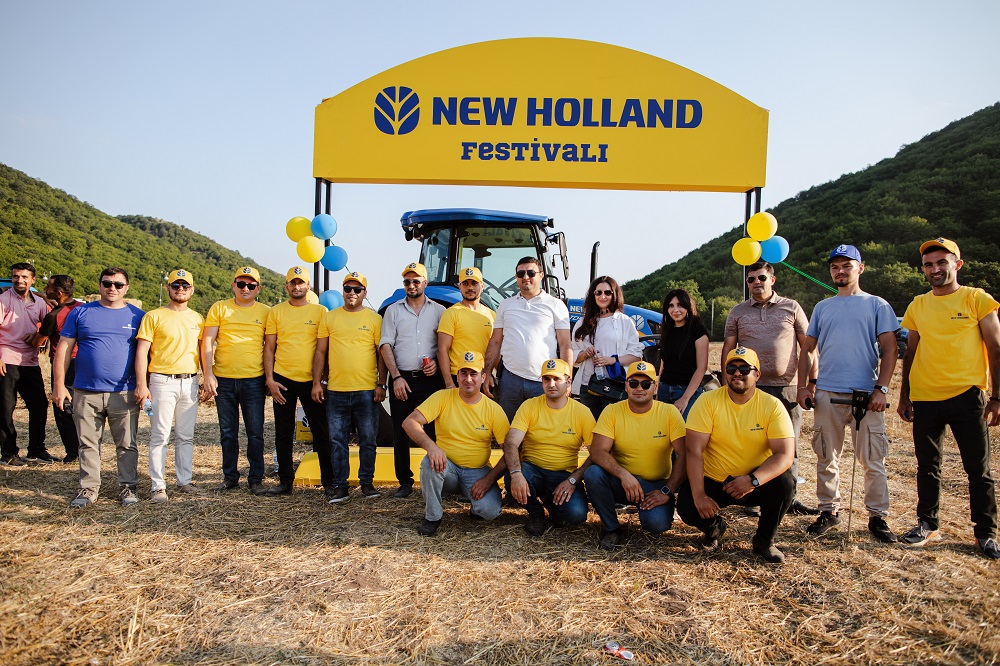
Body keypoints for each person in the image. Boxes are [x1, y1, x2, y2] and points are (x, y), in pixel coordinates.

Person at [897, 238, 1000, 559]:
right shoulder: (918, 305)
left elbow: (995, 348)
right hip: (925, 398)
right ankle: (928, 525)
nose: (935, 269)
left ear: (957, 264)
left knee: (978, 469)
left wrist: (997, 397)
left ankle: (986, 533)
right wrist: (905, 396)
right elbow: (910, 353)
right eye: (929, 264)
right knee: (928, 466)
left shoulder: (977, 299)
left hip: (967, 396)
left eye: (942, 262)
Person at [796, 244, 898, 543]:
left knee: (872, 459)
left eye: (846, 266)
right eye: (835, 267)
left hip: (866, 395)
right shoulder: (823, 307)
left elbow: (890, 349)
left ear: (860, 268)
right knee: (826, 456)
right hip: (828, 393)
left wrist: (881, 389)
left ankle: (877, 517)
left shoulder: (877, 305)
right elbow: (807, 349)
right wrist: (804, 386)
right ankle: (829, 511)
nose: (840, 271)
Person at [677, 346, 796, 563]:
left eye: (744, 369)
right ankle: (714, 529)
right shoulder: (707, 401)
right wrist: (699, 495)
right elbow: (693, 450)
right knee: (686, 505)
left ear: (757, 374)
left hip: (755, 479)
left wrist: (753, 480)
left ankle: (764, 542)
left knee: (785, 484)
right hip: (715, 479)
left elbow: (785, 455)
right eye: (731, 368)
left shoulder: (772, 406)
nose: (737, 373)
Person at [721, 261, 818, 516]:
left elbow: (808, 347)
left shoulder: (791, 307)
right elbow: (728, 348)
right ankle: (754, 497)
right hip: (751, 389)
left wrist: (810, 383)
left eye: (761, 277)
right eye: (751, 279)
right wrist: (726, 384)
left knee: (789, 444)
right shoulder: (738, 312)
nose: (756, 282)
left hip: (788, 388)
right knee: (753, 445)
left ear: (772, 280)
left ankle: (789, 498)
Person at [53, 268, 145, 507]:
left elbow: (147, 354)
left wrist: (144, 386)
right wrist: (59, 385)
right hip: (86, 391)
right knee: (87, 443)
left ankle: (128, 487)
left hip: (124, 392)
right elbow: (63, 349)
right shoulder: (80, 312)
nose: (112, 288)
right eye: (107, 283)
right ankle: (88, 489)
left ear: (126, 288)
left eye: (118, 284)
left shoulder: (138, 316)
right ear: (100, 285)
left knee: (127, 444)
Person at [403, 351, 511, 536]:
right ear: (457, 375)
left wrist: (488, 480)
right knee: (429, 463)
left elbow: (510, 451)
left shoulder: (494, 410)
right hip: (447, 468)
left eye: (473, 374)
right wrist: (432, 447)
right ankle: (433, 517)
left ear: (483, 377)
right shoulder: (442, 397)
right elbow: (409, 422)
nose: (468, 379)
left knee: (490, 512)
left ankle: (475, 505)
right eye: (463, 373)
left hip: (478, 472)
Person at [584, 360, 687, 550]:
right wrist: (624, 475)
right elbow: (598, 451)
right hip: (622, 482)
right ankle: (612, 528)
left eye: (646, 384)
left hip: (655, 485)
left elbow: (684, 455)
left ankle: (661, 507)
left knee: (656, 525)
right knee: (593, 474)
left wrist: (667, 491)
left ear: (655, 388)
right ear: (626, 386)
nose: (639, 388)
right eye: (633, 383)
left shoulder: (669, 412)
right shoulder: (612, 411)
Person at [312, 271, 387, 503]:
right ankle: (340, 486)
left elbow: (381, 354)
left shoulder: (374, 319)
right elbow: (321, 352)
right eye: (348, 289)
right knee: (337, 441)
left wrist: (381, 384)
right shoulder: (330, 318)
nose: (352, 293)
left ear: (365, 293)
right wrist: (317, 382)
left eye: (357, 289)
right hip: (336, 391)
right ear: (342, 291)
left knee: (368, 440)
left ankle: (367, 483)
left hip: (366, 391)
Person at [135, 269, 205, 502]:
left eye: (185, 286)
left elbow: (203, 351)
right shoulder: (153, 316)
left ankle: (184, 481)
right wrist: (142, 384)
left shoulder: (198, 318)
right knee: (160, 436)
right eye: (176, 285)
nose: (180, 289)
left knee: (186, 436)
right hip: (162, 381)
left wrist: (206, 378)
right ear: (168, 288)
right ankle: (158, 486)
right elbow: (142, 352)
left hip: (190, 381)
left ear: (192, 290)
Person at [503, 359, 596, 536]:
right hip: (533, 470)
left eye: (556, 379)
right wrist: (516, 474)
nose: (551, 384)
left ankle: (552, 505)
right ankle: (536, 513)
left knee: (576, 515)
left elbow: (596, 453)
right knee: (512, 476)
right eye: (546, 379)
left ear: (568, 381)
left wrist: (573, 480)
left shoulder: (582, 412)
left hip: (564, 474)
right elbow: (511, 442)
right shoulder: (529, 406)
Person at [264, 266, 332, 498]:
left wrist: (321, 381)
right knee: (283, 432)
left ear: (308, 286)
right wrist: (270, 380)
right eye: (292, 282)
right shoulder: (276, 312)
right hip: (282, 380)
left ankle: (329, 482)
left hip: (312, 381)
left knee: (321, 432)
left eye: (300, 282)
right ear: (287, 286)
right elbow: (269, 348)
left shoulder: (320, 311)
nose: (296, 286)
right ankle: (285, 482)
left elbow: (324, 350)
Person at [202, 266, 271, 495]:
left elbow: (271, 347)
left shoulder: (266, 312)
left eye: (251, 285)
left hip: (254, 380)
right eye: (241, 284)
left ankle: (256, 479)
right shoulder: (220, 308)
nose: (245, 288)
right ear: (233, 285)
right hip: (224, 379)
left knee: (255, 432)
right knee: (228, 432)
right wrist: (208, 374)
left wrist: (269, 377)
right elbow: (208, 341)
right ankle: (230, 477)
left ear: (258, 288)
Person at [380, 262, 446, 498]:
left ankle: (436, 478)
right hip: (403, 379)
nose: (411, 285)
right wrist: (396, 376)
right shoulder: (393, 311)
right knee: (400, 430)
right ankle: (404, 482)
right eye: (407, 282)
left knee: (433, 430)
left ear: (425, 283)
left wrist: (436, 362)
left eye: (416, 281)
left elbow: (444, 345)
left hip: (430, 379)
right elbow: (385, 345)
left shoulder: (440, 311)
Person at [483, 256, 572, 421]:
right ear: (516, 277)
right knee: (508, 427)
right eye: (520, 274)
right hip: (510, 379)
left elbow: (565, 344)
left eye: (531, 273)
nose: (525, 277)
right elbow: (495, 341)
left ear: (541, 275)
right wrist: (487, 372)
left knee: (541, 428)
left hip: (543, 380)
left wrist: (567, 378)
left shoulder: (555, 305)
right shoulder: (506, 305)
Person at [0, 262, 55, 465]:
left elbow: (48, 324)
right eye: (16, 276)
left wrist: (38, 336)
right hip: (6, 358)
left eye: (24, 277)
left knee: (39, 405)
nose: (19, 280)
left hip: (30, 360)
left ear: (33, 280)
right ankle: (8, 453)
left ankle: (36, 450)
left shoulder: (38, 302)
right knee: (6, 407)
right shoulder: (3, 300)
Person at [571, 276, 643, 420]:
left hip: (614, 385)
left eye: (607, 293)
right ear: (593, 295)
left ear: (614, 294)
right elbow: (572, 355)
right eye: (598, 292)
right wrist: (584, 354)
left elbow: (636, 356)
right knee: (590, 428)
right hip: (588, 385)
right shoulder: (582, 323)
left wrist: (612, 360)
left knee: (613, 427)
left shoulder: (625, 322)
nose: (602, 296)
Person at [37, 274, 81, 463]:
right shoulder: (82, 308)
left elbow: (37, 342)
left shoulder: (54, 316)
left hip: (63, 362)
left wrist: (30, 337)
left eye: (48, 287)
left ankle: (73, 452)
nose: (45, 289)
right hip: (84, 361)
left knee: (62, 405)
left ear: (59, 293)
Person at [437, 266, 495, 386]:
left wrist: (490, 374)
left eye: (474, 283)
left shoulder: (492, 315)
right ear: (460, 287)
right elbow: (442, 350)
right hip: (459, 377)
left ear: (482, 286)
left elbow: (495, 349)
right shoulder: (451, 313)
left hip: (482, 377)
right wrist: (449, 383)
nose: (470, 288)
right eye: (465, 284)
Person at [656, 288, 708, 419]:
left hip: (687, 391)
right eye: (671, 306)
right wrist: (658, 390)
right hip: (664, 389)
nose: (675, 310)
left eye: (680, 305)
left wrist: (685, 398)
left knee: (683, 429)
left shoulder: (698, 330)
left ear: (688, 306)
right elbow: (664, 363)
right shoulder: (667, 329)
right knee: (663, 430)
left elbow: (701, 368)